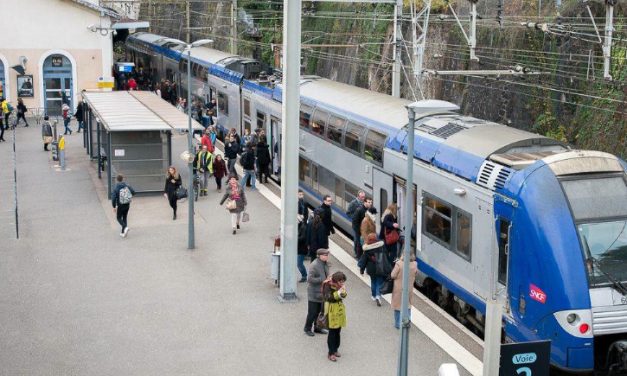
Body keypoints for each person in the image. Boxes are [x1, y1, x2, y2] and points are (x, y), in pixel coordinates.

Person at [304, 248, 330, 337]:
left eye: (327, 255)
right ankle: (307, 328)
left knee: (319, 312)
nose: (326, 257)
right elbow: (310, 279)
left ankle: (317, 327)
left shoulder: (324, 263)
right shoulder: (314, 265)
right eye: (325, 255)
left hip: (322, 292)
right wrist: (322, 279)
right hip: (314, 293)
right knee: (312, 312)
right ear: (319, 256)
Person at [324, 271, 347, 362]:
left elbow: (344, 296)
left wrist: (343, 292)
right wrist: (339, 293)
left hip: (340, 311)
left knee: (338, 331)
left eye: (343, 281)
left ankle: (336, 349)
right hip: (331, 312)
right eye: (341, 281)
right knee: (332, 333)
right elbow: (329, 298)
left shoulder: (340, 286)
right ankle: (330, 353)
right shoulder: (328, 285)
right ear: (336, 280)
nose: (342, 283)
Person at [391, 253, 418, 329]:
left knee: (397, 306)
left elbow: (393, 275)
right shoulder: (415, 264)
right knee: (408, 305)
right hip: (409, 288)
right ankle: (407, 321)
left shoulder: (399, 264)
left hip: (398, 288)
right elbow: (416, 273)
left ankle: (398, 324)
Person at [359, 233, 387, 306]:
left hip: (371, 269)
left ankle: (374, 296)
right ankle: (378, 295)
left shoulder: (366, 250)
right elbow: (385, 257)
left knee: (373, 281)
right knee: (379, 282)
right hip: (380, 267)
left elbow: (363, 261)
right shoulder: (381, 247)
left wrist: (362, 270)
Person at [297, 215, 309, 282]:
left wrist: (295, 238)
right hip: (299, 248)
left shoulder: (303, 227)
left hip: (301, 249)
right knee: (298, 263)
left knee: (299, 264)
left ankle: (304, 276)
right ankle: (304, 276)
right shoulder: (299, 226)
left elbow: (303, 238)